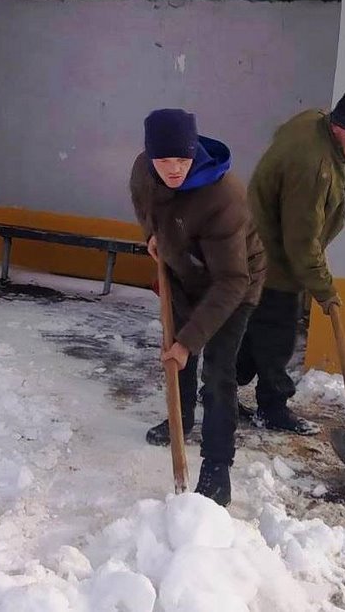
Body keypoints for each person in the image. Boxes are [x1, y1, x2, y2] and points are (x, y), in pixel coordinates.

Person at [130, 108, 266, 507]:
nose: (174, 169)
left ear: (194, 153)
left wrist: (190, 341)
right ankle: (181, 419)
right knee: (175, 356)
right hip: (185, 270)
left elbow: (232, 280)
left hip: (234, 283)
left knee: (218, 371)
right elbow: (148, 208)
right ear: (149, 155)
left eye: (182, 160)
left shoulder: (223, 198)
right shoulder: (143, 171)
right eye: (164, 160)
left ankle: (217, 465)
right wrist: (154, 236)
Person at [236, 89, 345, 434]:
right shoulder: (312, 166)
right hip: (273, 261)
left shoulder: (314, 123)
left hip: (257, 248)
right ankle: (272, 408)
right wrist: (325, 290)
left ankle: (220, 386)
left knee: (253, 329)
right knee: (277, 338)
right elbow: (301, 240)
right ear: (339, 126)